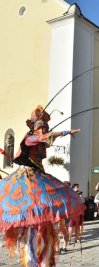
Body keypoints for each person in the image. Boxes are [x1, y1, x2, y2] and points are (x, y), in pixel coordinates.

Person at [0, 105, 84, 266]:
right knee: (29, 226)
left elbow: (46, 139)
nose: (42, 131)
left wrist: (60, 134)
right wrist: (64, 132)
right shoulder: (30, 139)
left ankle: (41, 258)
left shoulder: (41, 140)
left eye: (43, 129)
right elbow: (42, 138)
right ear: (34, 128)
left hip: (39, 176)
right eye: (40, 128)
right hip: (27, 177)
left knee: (42, 225)